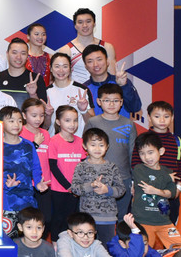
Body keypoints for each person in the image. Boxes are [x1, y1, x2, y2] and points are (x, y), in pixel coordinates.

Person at [131, 101, 181, 224]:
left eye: (166, 116)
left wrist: (178, 186)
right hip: (146, 190)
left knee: (170, 223)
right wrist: (134, 184)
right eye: (157, 116)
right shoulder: (142, 139)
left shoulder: (177, 141)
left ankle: (168, 244)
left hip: (170, 190)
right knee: (143, 226)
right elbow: (135, 164)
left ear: (172, 118)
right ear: (149, 118)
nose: (162, 120)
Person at [86, 84, 137, 220]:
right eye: (107, 100)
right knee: (97, 217)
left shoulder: (129, 124)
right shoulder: (93, 122)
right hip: (98, 179)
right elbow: (86, 151)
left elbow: (133, 153)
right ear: (99, 102)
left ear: (121, 103)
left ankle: (120, 241)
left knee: (122, 217)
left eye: (116, 100)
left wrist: (133, 180)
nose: (111, 104)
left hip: (123, 178)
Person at [69, 128, 126, 245]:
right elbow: (75, 188)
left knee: (107, 249)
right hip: (87, 218)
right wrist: (91, 185)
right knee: (87, 248)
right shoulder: (81, 166)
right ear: (85, 146)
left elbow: (121, 189)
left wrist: (108, 190)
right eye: (93, 145)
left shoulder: (112, 167)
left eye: (101, 145)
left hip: (108, 218)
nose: (97, 148)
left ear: (107, 147)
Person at [0, 106, 48, 239]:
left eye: (20, 121)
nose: (16, 124)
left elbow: (36, 167)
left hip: (27, 200)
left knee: (27, 239)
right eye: (11, 121)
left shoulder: (28, 144)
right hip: (6, 200)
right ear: (1, 123)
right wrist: (5, 184)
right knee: (8, 239)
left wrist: (38, 183)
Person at [131, 132, 181, 250]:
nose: (147, 157)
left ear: (161, 151)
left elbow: (172, 193)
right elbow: (146, 187)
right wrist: (166, 180)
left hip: (163, 221)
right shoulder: (139, 169)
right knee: (143, 252)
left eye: (150, 152)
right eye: (142, 153)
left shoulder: (168, 171)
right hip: (143, 220)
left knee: (180, 249)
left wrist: (156, 191)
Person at [47, 106, 85, 238]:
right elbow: (53, 167)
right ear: (58, 122)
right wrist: (68, 186)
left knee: (72, 221)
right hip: (59, 189)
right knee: (58, 219)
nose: (72, 124)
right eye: (67, 120)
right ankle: (56, 247)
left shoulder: (80, 142)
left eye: (75, 120)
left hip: (76, 190)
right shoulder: (54, 141)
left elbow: (84, 167)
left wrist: (77, 186)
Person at [56, 8, 116, 84]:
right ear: (75, 25)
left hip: (102, 92)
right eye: (80, 22)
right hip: (77, 93)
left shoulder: (107, 47)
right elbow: (62, 79)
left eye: (88, 21)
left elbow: (112, 75)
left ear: (94, 23)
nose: (85, 25)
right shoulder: (66, 50)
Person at [21, 98, 53, 238]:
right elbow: (19, 159)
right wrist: (35, 144)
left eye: (41, 115)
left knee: (46, 218)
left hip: (44, 184)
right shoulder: (20, 132)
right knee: (26, 220)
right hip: (28, 185)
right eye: (34, 115)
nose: (38, 119)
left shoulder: (45, 133)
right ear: (24, 115)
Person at [82, 44, 140, 117]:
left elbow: (135, 107)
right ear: (85, 66)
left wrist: (124, 86)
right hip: (95, 128)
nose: (95, 64)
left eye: (99, 59)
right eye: (90, 61)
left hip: (121, 128)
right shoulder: (83, 89)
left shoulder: (121, 81)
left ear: (107, 62)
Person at [46, 53, 92, 137]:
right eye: (57, 66)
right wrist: (48, 115)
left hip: (79, 142)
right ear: (51, 69)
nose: (61, 70)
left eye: (65, 66)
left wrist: (84, 111)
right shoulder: (46, 92)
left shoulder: (82, 90)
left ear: (70, 69)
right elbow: (44, 126)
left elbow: (92, 123)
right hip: (54, 143)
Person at [0, 38, 47, 106]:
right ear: (7, 54)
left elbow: (43, 110)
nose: (18, 57)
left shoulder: (35, 79)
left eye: (23, 53)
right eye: (14, 53)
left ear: (27, 56)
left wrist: (33, 94)